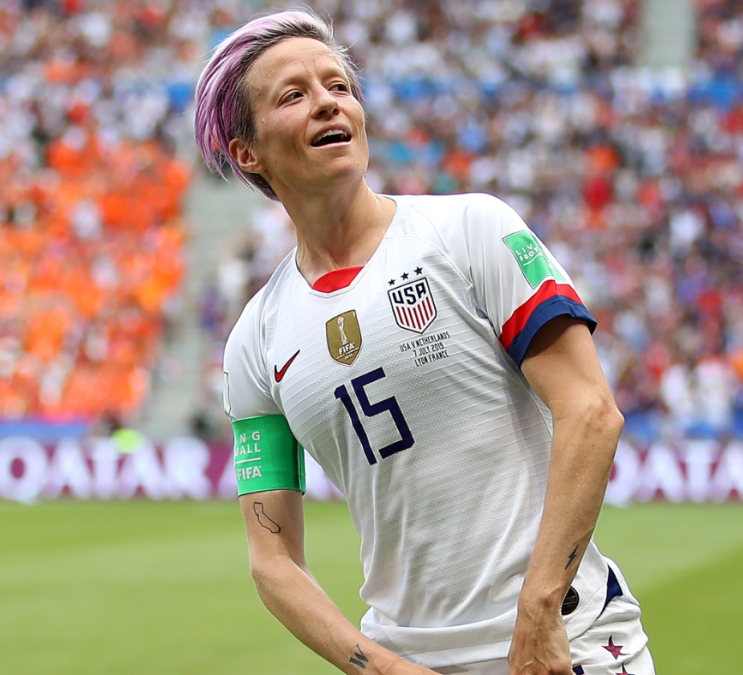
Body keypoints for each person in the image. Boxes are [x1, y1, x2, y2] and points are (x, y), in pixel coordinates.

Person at [195, 10, 653, 675]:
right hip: (410, 660)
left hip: (566, 642)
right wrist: (379, 665)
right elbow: (272, 559)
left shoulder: (471, 230)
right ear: (247, 151)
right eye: (294, 95)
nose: (329, 101)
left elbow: (590, 411)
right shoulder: (254, 342)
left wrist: (538, 607)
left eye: (339, 85)